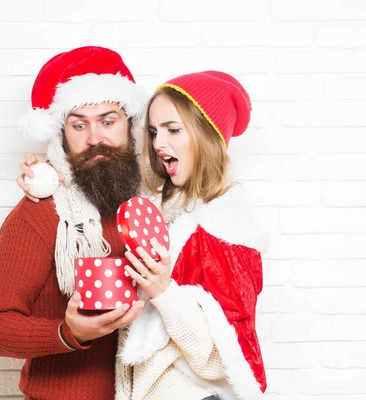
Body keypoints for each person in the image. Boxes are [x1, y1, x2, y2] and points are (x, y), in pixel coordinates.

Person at [19, 71, 268, 399]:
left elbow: (223, 361)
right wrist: (48, 173)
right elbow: (106, 175)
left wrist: (162, 291)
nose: (158, 143)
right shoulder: (169, 203)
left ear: (209, 135)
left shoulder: (226, 227)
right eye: (153, 131)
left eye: (173, 130)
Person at [0, 46, 150, 400]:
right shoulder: (38, 214)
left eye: (108, 121)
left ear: (130, 125)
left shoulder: (152, 207)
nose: (94, 139)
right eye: (78, 124)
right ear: (60, 132)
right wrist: (68, 331)